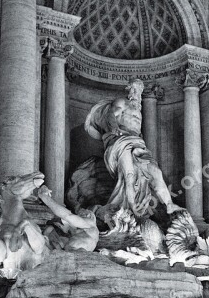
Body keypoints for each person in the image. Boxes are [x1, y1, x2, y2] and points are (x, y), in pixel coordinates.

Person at [85, 79, 182, 218]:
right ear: (130, 90)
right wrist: (114, 129)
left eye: (139, 91)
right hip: (120, 141)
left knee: (155, 171)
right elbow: (111, 115)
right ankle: (129, 210)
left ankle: (169, 204)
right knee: (128, 176)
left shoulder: (139, 109)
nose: (136, 94)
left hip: (138, 144)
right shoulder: (122, 102)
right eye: (134, 90)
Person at [37, 186, 99, 252]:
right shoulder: (87, 234)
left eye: (81, 215)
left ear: (89, 215)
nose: (79, 216)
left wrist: (45, 197)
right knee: (48, 231)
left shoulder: (90, 223)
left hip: (74, 253)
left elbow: (68, 216)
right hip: (68, 252)